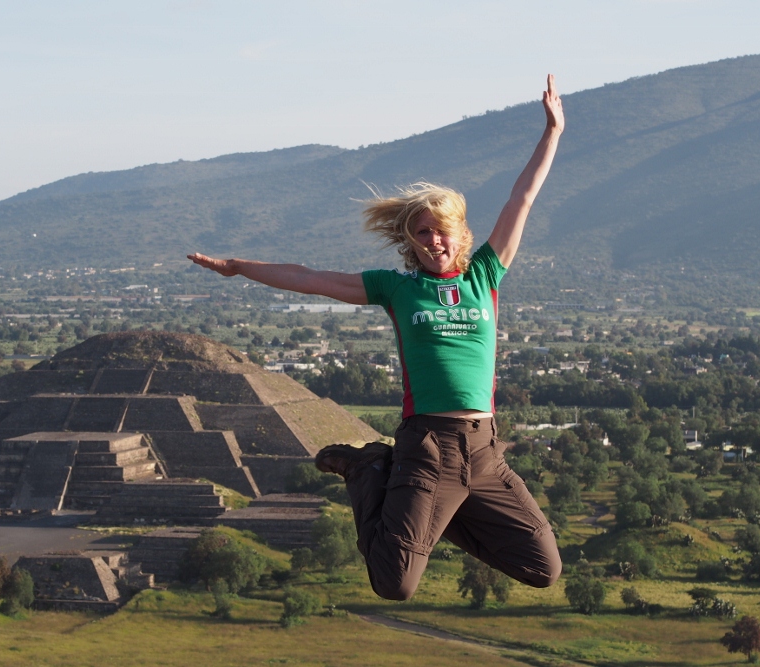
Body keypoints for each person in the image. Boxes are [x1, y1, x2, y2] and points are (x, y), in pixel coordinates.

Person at [189, 75, 565, 601]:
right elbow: (310, 278)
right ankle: (369, 469)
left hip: (484, 450)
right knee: (394, 584)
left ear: (461, 234)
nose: (434, 239)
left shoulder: (485, 275)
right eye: (422, 232)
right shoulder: (397, 288)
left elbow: (520, 199)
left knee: (541, 567)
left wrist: (553, 131)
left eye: (442, 230)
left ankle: (429, 512)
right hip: (428, 446)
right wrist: (236, 266)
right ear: (411, 242)